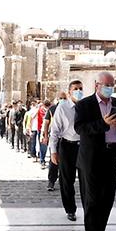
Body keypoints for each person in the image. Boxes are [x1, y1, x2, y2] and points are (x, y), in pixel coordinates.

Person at [74, 72, 116, 231]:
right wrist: (103, 124)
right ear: (97, 85)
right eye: (106, 84)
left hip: (112, 156)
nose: (109, 87)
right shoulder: (85, 104)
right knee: (92, 200)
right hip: (91, 158)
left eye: (112, 84)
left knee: (107, 198)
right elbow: (80, 128)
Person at [49, 81, 83, 221]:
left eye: (81, 89)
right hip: (67, 146)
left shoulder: (85, 106)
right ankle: (70, 209)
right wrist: (53, 151)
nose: (79, 91)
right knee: (66, 180)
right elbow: (55, 130)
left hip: (83, 147)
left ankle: (88, 208)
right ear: (69, 92)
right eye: (75, 89)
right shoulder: (62, 107)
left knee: (86, 180)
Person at [44, 93, 66, 191]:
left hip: (66, 139)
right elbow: (46, 123)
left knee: (65, 162)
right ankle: (51, 181)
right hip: (55, 138)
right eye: (60, 98)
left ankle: (64, 182)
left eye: (64, 98)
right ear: (57, 99)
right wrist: (45, 136)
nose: (62, 100)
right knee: (54, 161)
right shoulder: (52, 109)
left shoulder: (69, 109)